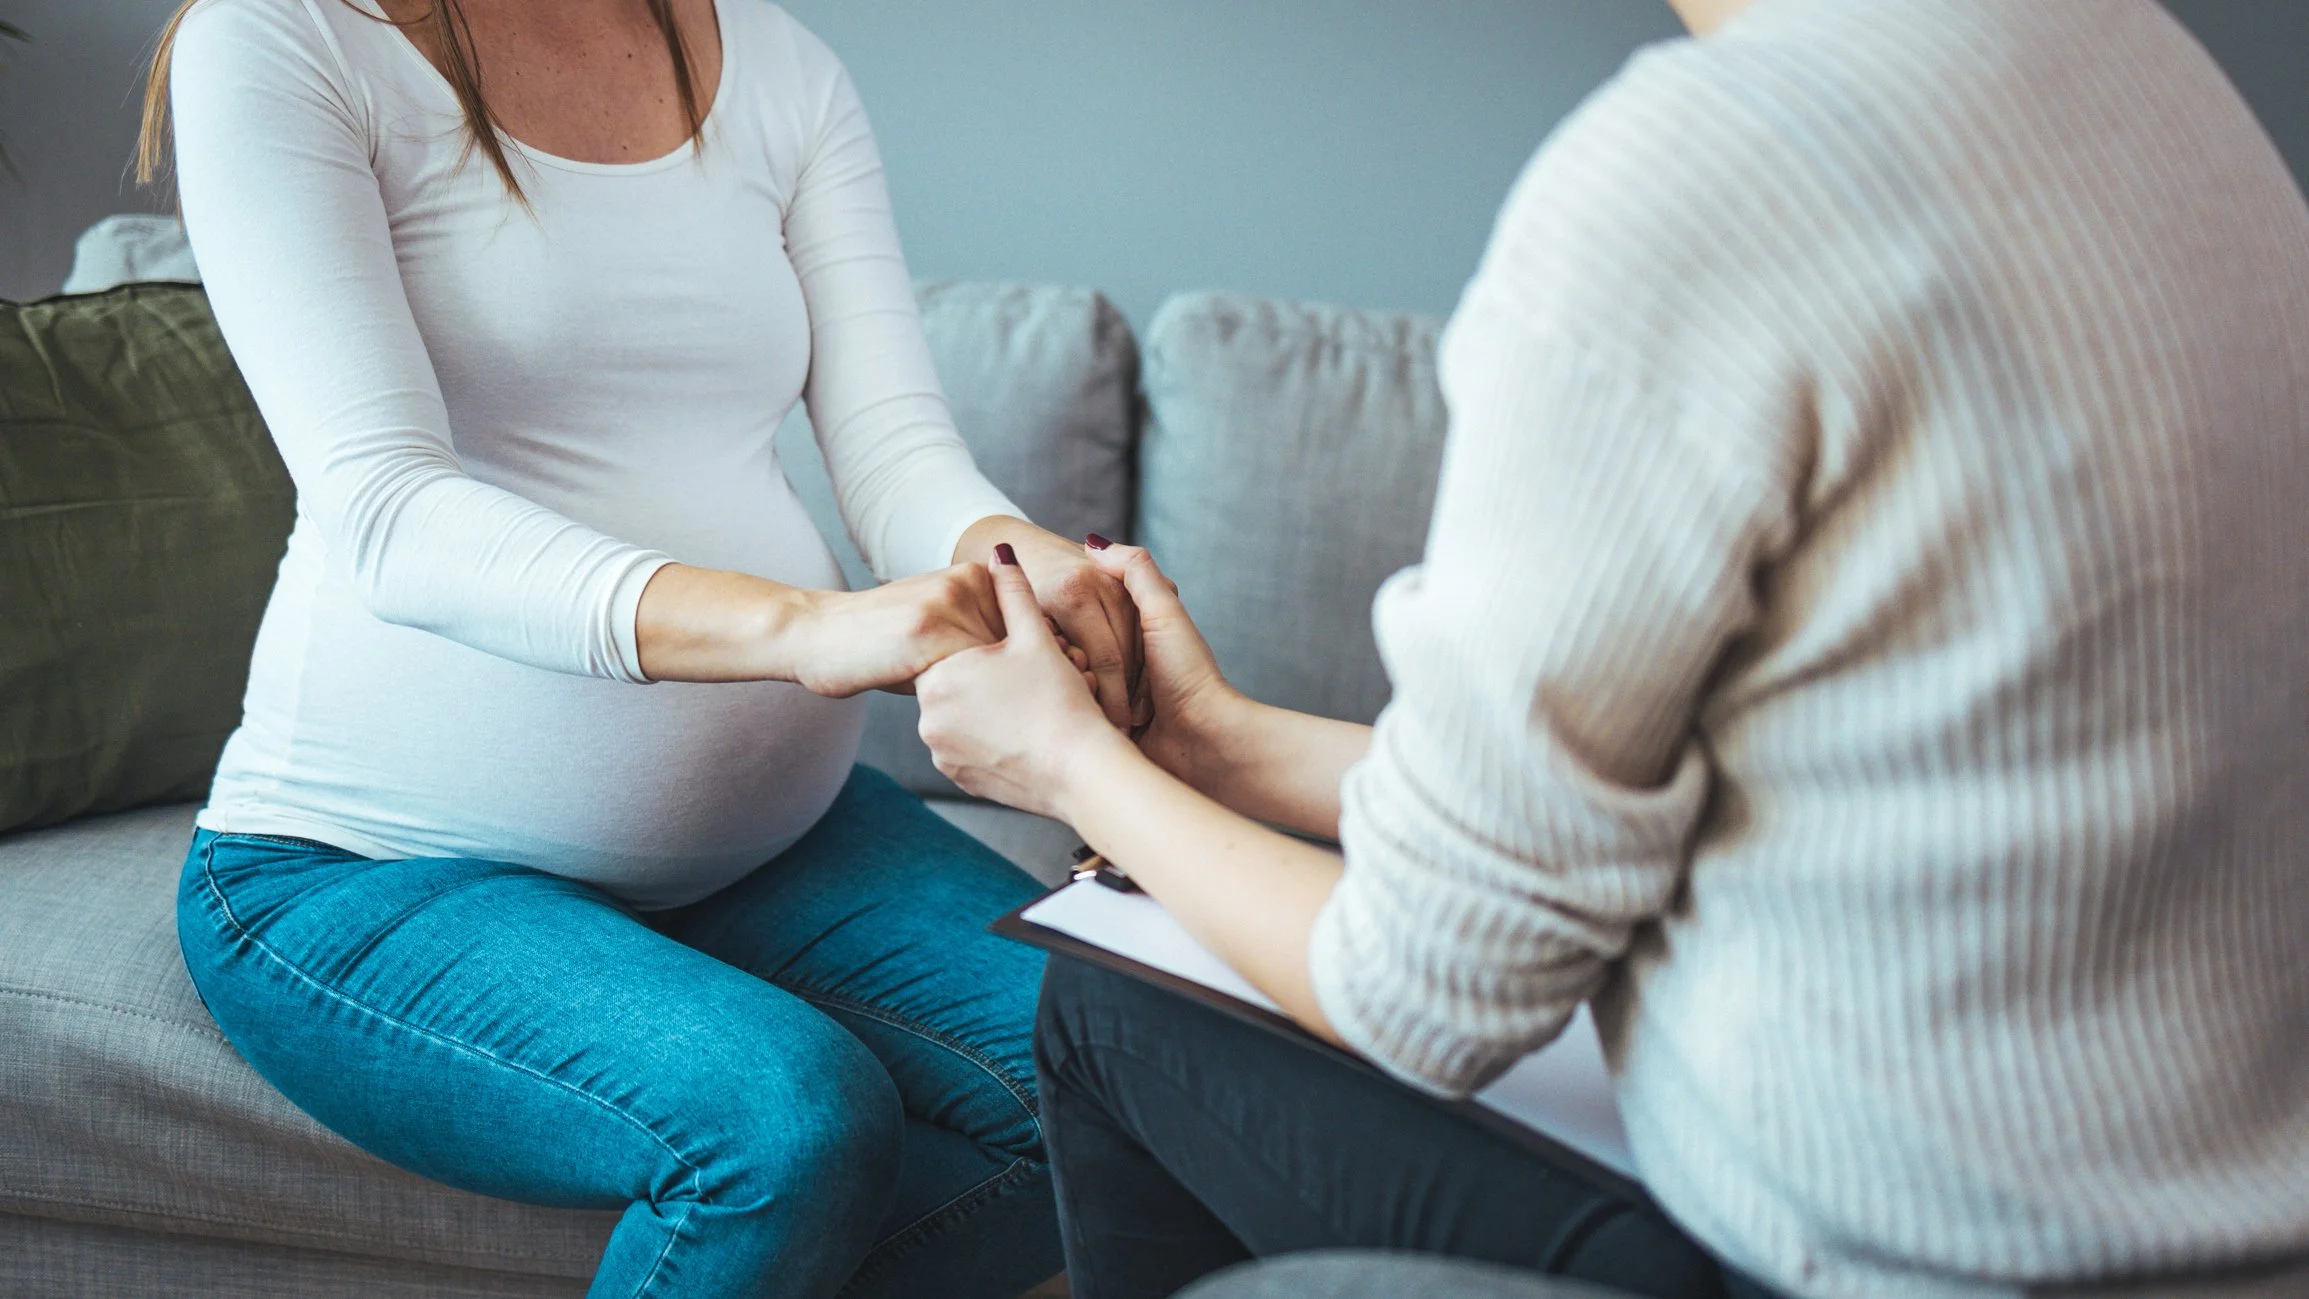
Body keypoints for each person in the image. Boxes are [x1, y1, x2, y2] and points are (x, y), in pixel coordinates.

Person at [913, 0, 2309, 1296]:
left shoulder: (1704, 169)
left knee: (1105, 1002)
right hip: (2210, 1226)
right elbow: (1758, 800)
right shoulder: (2144, 65)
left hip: (1887, 1255)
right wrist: (1218, 744)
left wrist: (1073, 767)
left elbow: (1431, 991)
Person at [139, 0, 1131, 1295]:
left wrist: (1020, 557)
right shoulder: (283, 37)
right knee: (786, 1125)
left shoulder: (784, 69)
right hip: (369, 865)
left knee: (1124, 1080)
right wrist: (802, 627)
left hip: (772, 842)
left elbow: (896, 452)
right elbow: (390, 514)